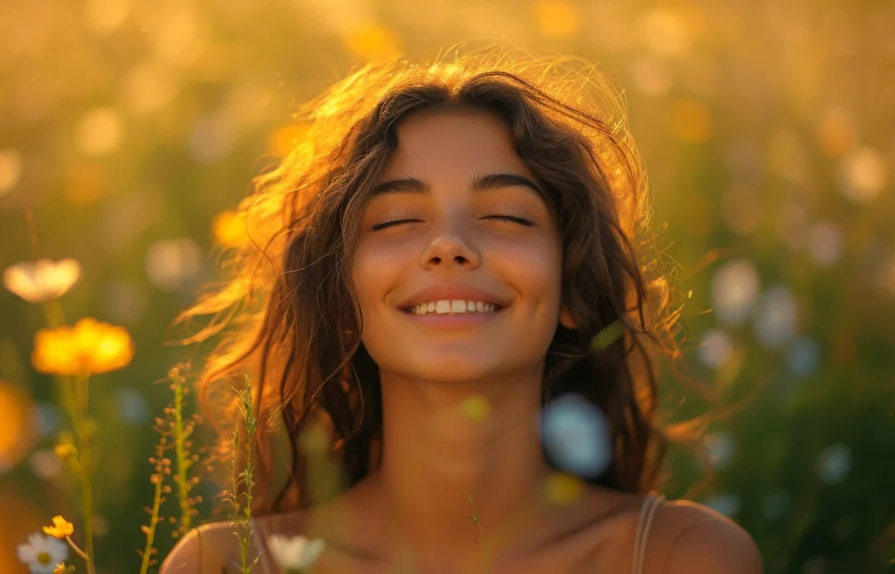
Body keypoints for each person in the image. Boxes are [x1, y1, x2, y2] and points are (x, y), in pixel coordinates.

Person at [161, 47, 762, 573]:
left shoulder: (683, 558)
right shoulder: (225, 566)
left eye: (506, 216)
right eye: (396, 221)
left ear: (573, 288)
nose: (448, 246)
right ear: (341, 295)